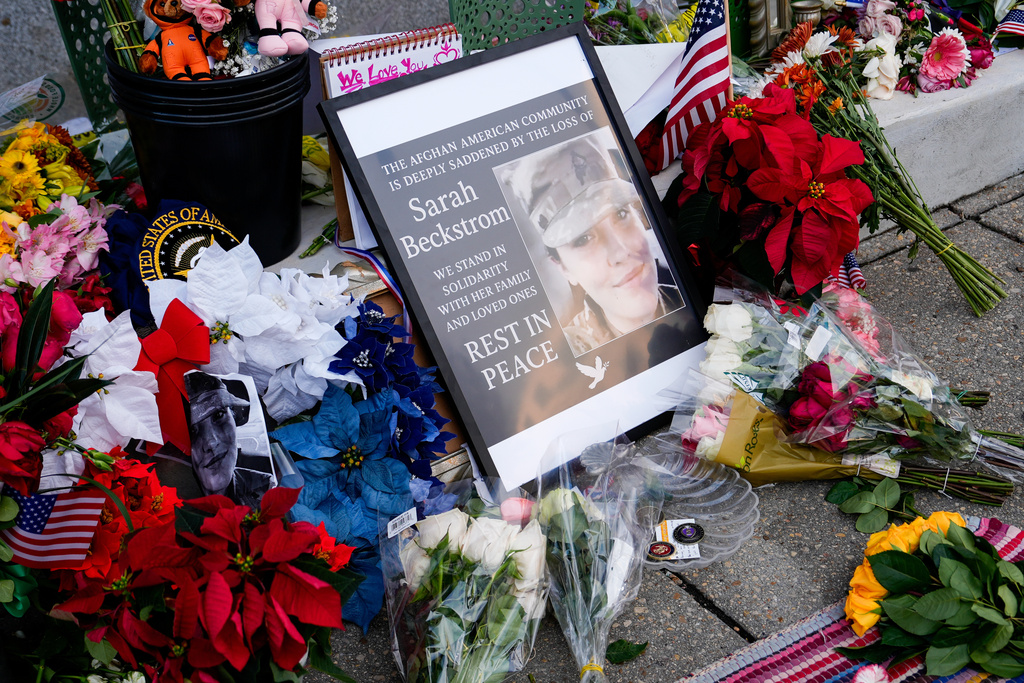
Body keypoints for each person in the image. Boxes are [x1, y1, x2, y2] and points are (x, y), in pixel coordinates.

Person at [504, 131, 682, 355]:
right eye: (583, 239)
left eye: (620, 213)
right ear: (563, 268)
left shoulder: (702, 306)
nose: (620, 252)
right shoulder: (561, 363)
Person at [186, 372, 272, 509]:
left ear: (234, 415)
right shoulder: (165, 506)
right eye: (192, 431)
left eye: (219, 415)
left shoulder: (268, 487)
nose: (211, 443)